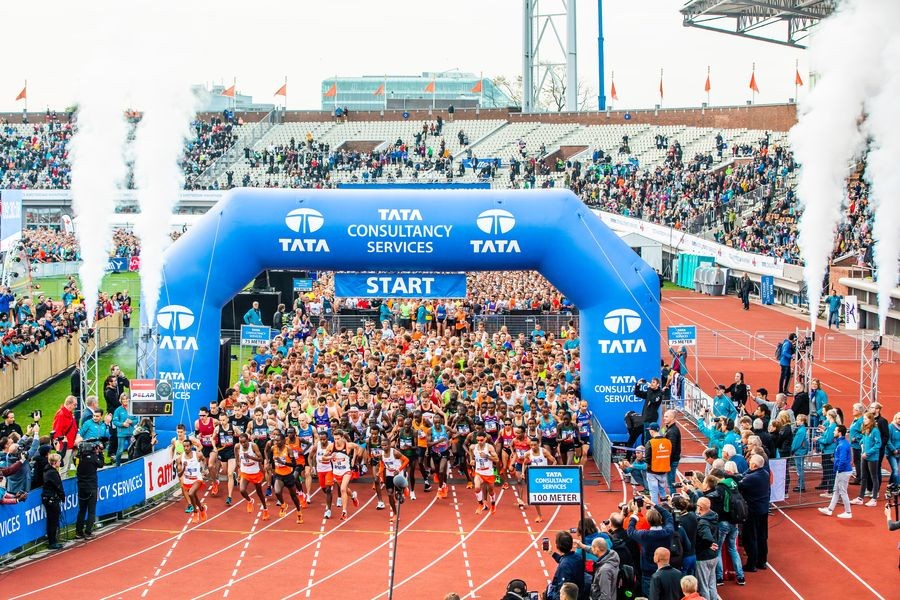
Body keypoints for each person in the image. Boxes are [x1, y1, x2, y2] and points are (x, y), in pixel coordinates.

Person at [627, 501, 675, 596]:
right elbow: (669, 516)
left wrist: (634, 514)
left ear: (648, 521)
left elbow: (630, 531)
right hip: (665, 570)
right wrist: (653, 504)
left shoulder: (644, 535)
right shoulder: (668, 532)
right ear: (661, 519)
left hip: (648, 573)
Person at [737, 454, 770, 571]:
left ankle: (752, 564)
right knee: (762, 536)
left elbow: (739, 483)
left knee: (750, 537)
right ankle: (762, 562)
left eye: (750, 462)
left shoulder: (752, 478)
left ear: (754, 465)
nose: (748, 463)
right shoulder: (765, 474)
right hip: (763, 509)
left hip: (752, 511)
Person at [818, 425, 853, 519]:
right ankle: (829, 509)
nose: (833, 432)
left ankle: (848, 511)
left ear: (840, 432)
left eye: (835, 430)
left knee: (842, 492)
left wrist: (838, 469)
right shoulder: (842, 443)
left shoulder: (842, 445)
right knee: (836, 491)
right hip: (842, 470)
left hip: (843, 471)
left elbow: (843, 460)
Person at [546, 530, 588, 600]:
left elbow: (563, 590)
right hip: (579, 593)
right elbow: (565, 560)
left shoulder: (564, 566)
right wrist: (552, 553)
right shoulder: (578, 557)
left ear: (557, 546)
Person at [851, 412, 882, 507]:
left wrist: (868, 453)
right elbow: (864, 439)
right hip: (864, 456)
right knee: (864, 477)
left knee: (874, 477)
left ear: (870, 420)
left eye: (865, 419)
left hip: (872, 457)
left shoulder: (875, 431)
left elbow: (878, 444)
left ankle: (874, 499)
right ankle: (860, 498)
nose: (863, 420)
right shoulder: (865, 429)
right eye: (864, 419)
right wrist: (860, 443)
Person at [236, 432, 269, 520]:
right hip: (245, 471)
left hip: (255, 472)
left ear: (248, 440)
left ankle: (265, 509)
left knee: (259, 493)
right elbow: (237, 459)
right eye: (241, 442)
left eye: (244, 442)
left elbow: (261, 459)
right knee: (242, 490)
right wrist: (239, 469)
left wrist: (250, 457)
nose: (243, 444)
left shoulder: (253, 446)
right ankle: (250, 501)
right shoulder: (237, 446)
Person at [75, 439, 103, 539]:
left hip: (81, 487)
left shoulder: (79, 458)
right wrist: (100, 453)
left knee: (81, 510)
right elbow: (101, 464)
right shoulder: (93, 458)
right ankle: (88, 532)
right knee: (91, 511)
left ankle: (78, 532)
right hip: (91, 487)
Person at [693, 497, 719, 600]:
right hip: (713, 555)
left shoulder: (703, 522)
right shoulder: (713, 516)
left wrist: (707, 544)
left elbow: (707, 538)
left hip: (704, 557)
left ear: (700, 507)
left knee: (703, 586)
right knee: (711, 584)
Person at [41, 453, 65, 549]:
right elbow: (58, 486)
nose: (60, 462)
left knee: (52, 520)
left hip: (48, 498)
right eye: (59, 461)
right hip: (51, 499)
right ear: (55, 462)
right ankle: (52, 542)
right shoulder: (52, 473)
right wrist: (62, 496)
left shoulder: (48, 470)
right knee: (53, 521)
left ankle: (53, 540)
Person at [51, 396, 78, 474]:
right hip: (65, 447)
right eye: (74, 405)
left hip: (70, 445)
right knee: (63, 470)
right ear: (69, 404)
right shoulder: (61, 415)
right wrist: (61, 448)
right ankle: (63, 485)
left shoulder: (68, 414)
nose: (76, 407)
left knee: (67, 468)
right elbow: (57, 432)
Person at [646, 423, 672, 504]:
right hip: (664, 470)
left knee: (653, 493)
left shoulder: (650, 442)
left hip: (652, 471)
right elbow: (669, 454)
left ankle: (655, 511)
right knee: (663, 491)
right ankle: (665, 507)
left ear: (652, 431)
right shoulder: (668, 442)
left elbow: (647, 458)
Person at [634, 378, 665, 443]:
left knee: (648, 438)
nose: (651, 384)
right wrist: (638, 385)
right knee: (645, 438)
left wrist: (649, 388)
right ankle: (645, 451)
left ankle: (649, 451)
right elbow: (637, 393)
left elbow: (652, 399)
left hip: (651, 419)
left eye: (653, 382)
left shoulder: (659, 394)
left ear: (658, 384)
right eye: (651, 382)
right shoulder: (650, 392)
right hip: (645, 419)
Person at [663, 410, 682, 491]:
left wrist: (667, 461)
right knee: (670, 481)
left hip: (671, 460)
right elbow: (661, 434)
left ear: (672, 418)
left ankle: (674, 498)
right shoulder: (667, 428)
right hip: (671, 459)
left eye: (666, 416)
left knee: (671, 482)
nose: (664, 418)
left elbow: (672, 448)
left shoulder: (673, 431)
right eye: (664, 416)